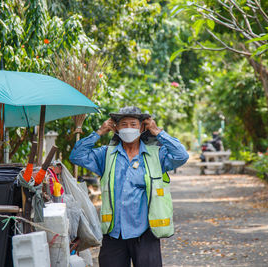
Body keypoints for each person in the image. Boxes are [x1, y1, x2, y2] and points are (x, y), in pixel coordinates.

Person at [69, 106, 189, 267]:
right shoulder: (106, 155)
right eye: (124, 124)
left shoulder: (157, 154)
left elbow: (181, 155)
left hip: (146, 233)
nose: (129, 128)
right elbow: (77, 156)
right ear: (116, 128)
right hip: (114, 234)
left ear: (142, 128)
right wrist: (100, 132)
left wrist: (156, 130)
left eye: (133, 124)